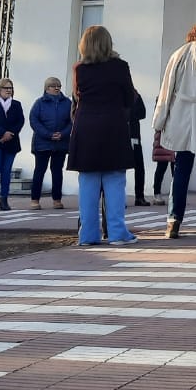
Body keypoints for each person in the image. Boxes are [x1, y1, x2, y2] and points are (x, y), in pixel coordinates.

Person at [68, 24, 139, 246]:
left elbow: (77, 97)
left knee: (88, 182)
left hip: (85, 127)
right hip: (113, 127)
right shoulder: (120, 67)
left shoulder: (79, 69)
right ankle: (117, 232)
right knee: (114, 180)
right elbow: (129, 98)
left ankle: (87, 234)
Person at [154, 20, 196, 239]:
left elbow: (166, 89)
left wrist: (159, 121)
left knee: (181, 169)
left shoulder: (178, 54)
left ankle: (173, 221)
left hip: (181, 114)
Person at [28, 76, 72, 209]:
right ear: (47, 88)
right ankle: (35, 200)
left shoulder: (67, 103)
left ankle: (57, 200)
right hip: (42, 144)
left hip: (61, 143)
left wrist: (63, 133)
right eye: (53, 86)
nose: (57, 88)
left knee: (57, 171)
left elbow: (72, 120)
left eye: (59, 85)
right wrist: (48, 135)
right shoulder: (39, 103)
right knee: (39, 171)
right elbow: (34, 121)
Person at [0, 77, 24, 211]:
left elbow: (20, 121)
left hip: (11, 142)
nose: (8, 90)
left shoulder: (16, 104)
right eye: (6, 88)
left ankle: (4, 201)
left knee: (6, 172)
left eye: (10, 88)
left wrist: (10, 134)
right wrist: (2, 134)